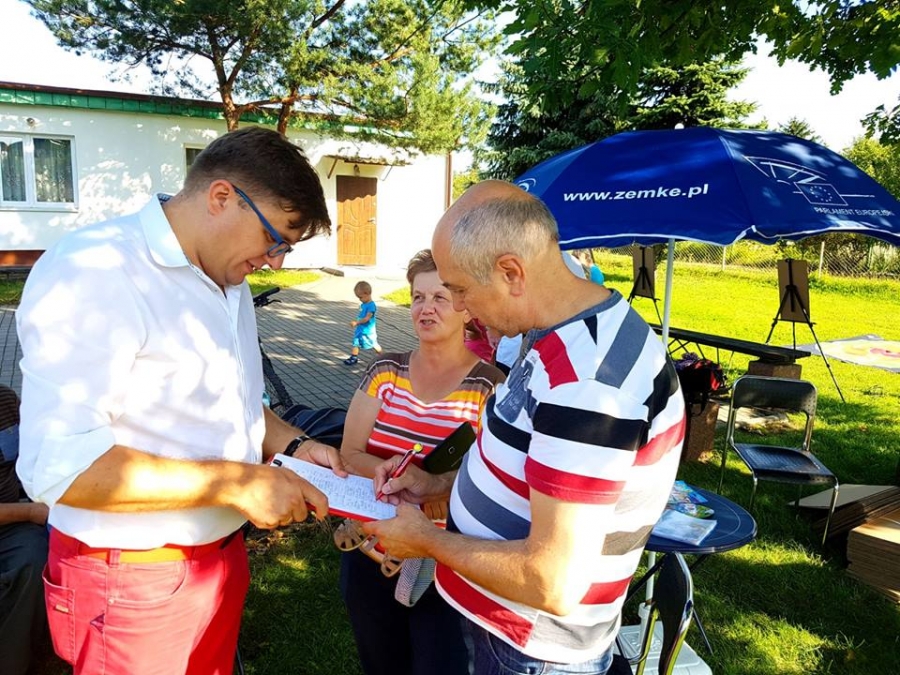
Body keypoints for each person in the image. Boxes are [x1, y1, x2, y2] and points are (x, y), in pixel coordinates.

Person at [15, 126, 347, 675]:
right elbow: (60, 467)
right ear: (221, 197)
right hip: (130, 577)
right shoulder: (95, 269)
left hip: (218, 559)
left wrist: (294, 444)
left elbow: (236, 403)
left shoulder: (226, 279)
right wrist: (237, 483)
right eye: (275, 239)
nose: (275, 262)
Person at [364, 180, 685, 674]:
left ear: (510, 272)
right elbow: (530, 462)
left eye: (461, 290)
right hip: (507, 628)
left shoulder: (588, 384)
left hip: (531, 649)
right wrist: (438, 485)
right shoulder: (558, 331)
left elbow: (552, 581)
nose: (461, 308)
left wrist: (426, 541)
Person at [338, 249, 504, 675]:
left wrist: (435, 483)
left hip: (446, 560)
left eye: (440, 298)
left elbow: (494, 483)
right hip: (370, 548)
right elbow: (350, 454)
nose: (425, 308)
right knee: (381, 664)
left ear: (466, 308)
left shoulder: (489, 386)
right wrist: (390, 468)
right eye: (417, 298)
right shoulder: (385, 370)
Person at [0, 385, 49, 675]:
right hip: (19, 513)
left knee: (34, 557)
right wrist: (31, 512)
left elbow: (32, 457)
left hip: (12, 522)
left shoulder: (6, 400)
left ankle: (13, 664)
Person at [344, 280, 383, 365]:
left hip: (368, 331)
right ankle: (354, 357)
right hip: (360, 329)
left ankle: (382, 357)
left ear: (367, 294)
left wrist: (357, 323)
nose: (360, 300)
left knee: (374, 344)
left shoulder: (371, 306)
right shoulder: (363, 304)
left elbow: (367, 318)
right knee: (356, 342)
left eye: (361, 297)